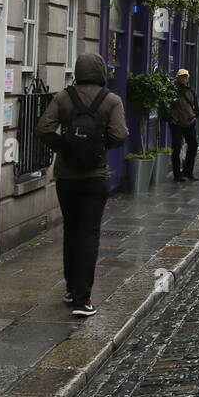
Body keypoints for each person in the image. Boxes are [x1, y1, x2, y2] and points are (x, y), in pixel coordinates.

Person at [35, 52, 129, 317]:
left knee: (71, 232)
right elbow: (121, 134)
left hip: (66, 176)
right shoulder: (111, 100)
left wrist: (64, 146)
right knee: (89, 235)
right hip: (95, 176)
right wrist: (100, 146)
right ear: (100, 71)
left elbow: (43, 128)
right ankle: (83, 298)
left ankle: (70, 287)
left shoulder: (64, 97)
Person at [165, 68, 199, 182]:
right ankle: (177, 174)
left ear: (188, 78)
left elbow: (195, 104)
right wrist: (171, 118)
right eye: (181, 76)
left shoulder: (191, 90)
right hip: (177, 124)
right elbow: (166, 106)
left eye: (185, 76)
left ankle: (188, 171)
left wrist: (196, 114)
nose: (184, 78)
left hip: (189, 122)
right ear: (178, 78)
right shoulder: (172, 90)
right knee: (177, 148)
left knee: (193, 146)